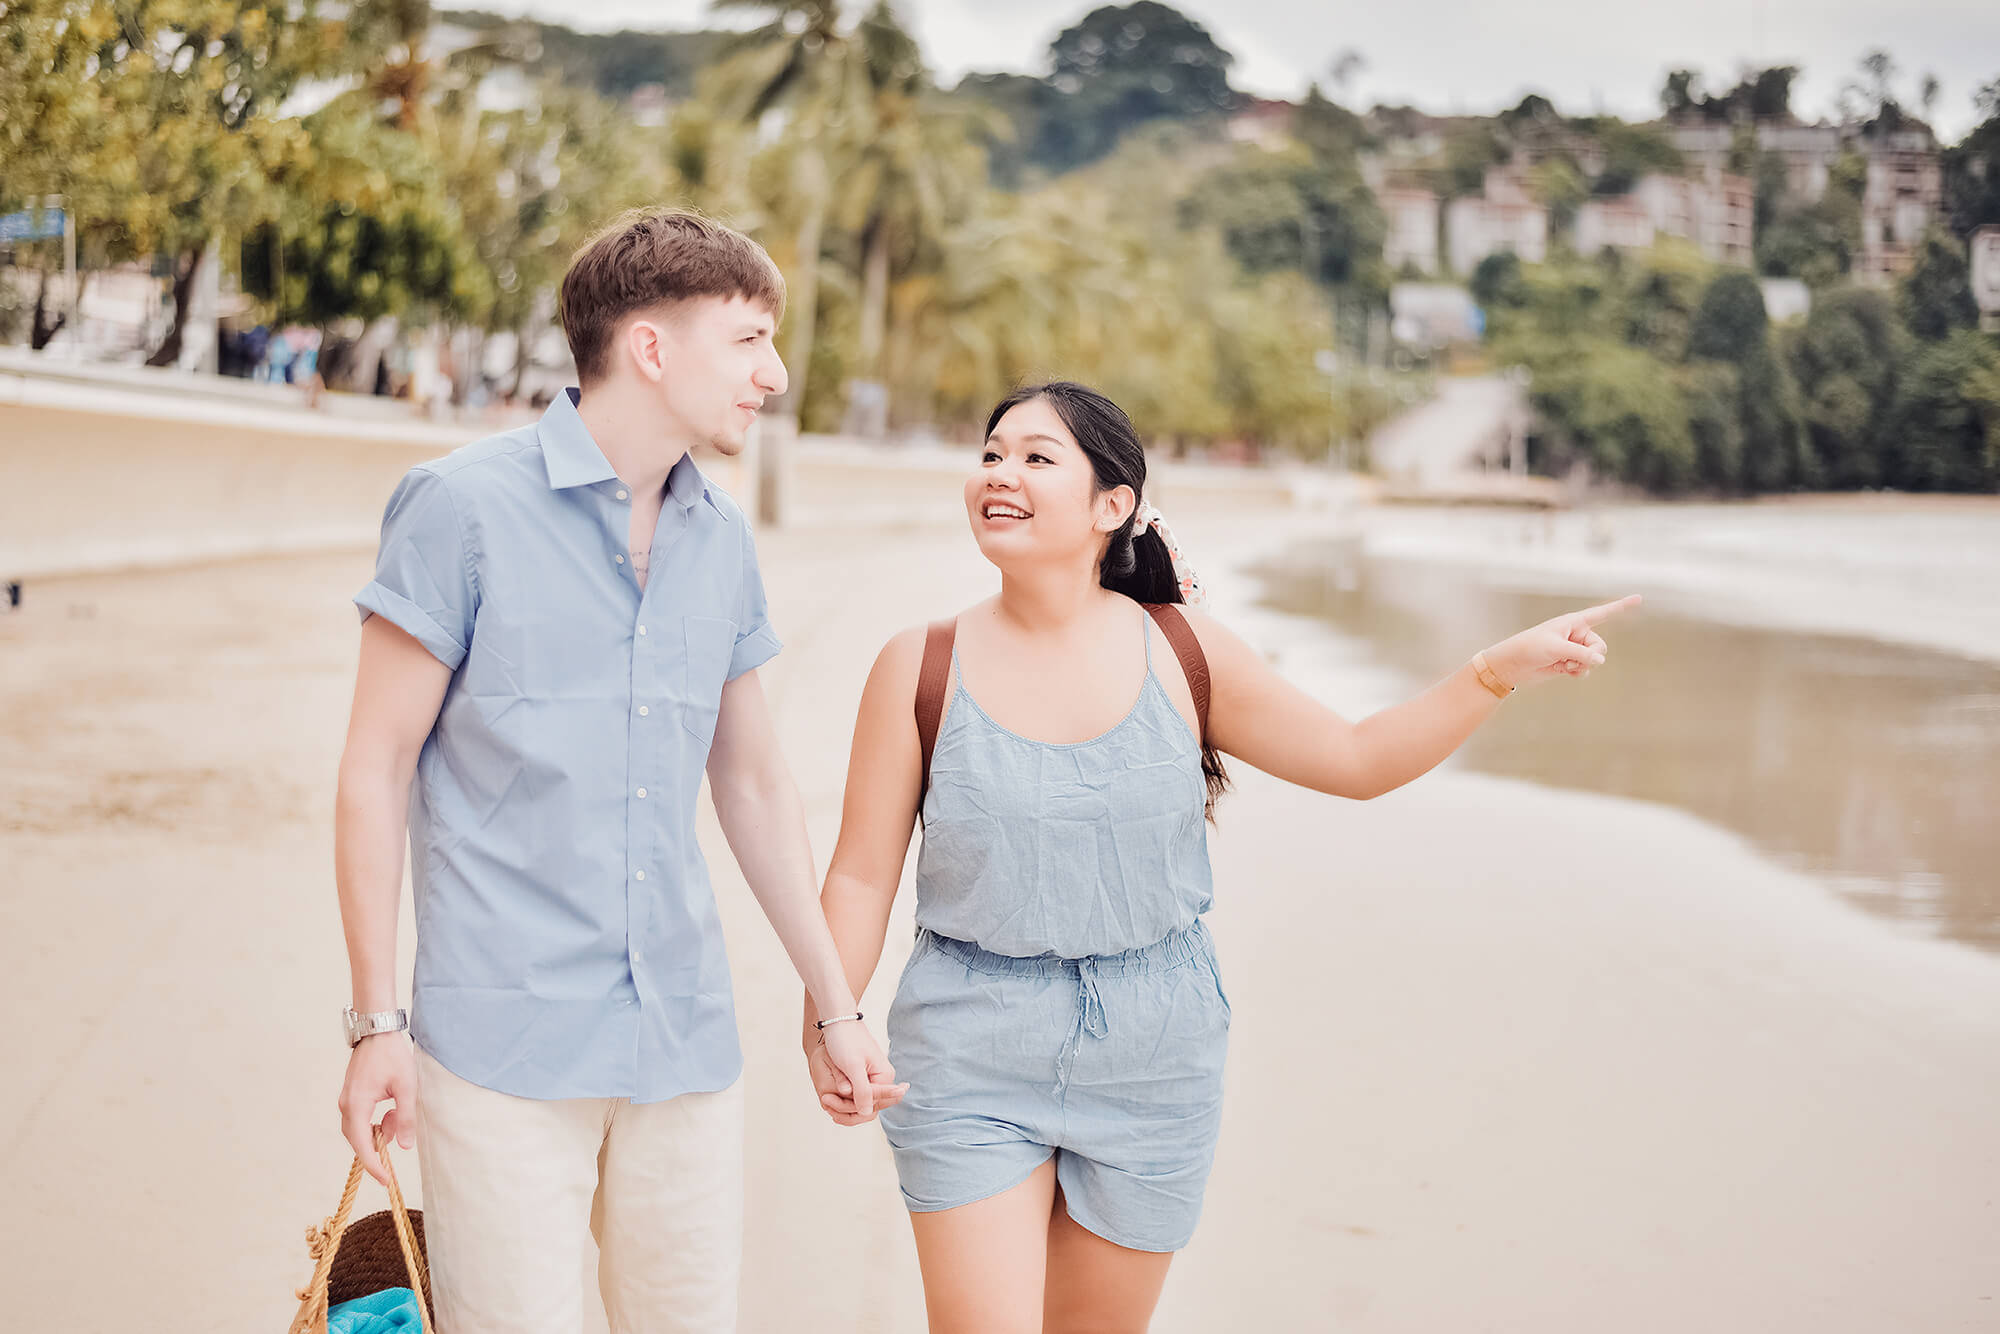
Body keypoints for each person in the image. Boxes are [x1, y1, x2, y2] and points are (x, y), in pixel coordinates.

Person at [806, 380, 1638, 1332]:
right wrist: (831, 1015)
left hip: (1156, 1054)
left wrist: (1494, 671)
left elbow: (1358, 759)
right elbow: (861, 873)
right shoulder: (920, 665)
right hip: (970, 1046)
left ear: (1112, 506)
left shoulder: (1183, 650)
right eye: (992, 453)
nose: (1001, 474)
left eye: (1038, 457)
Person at [333, 207, 903, 1333]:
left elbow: (750, 783)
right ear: (650, 347)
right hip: (499, 1047)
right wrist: (373, 1021)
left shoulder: (720, 538)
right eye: (747, 339)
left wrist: (837, 1004)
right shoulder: (459, 506)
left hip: (682, 1042)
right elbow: (373, 768)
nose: (773, 374)